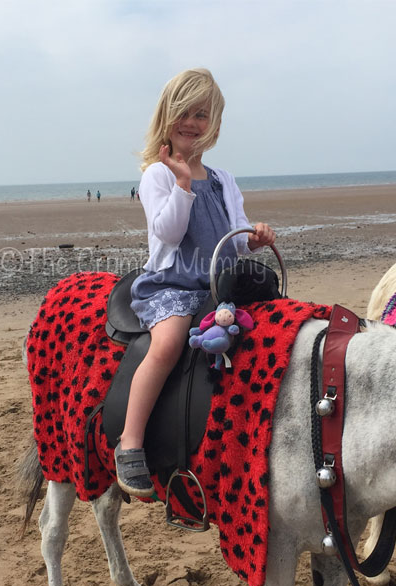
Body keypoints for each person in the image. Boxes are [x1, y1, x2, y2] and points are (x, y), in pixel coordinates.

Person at [114, 68, 276, 497]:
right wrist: (183, 184)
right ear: (167, 116)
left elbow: (236, 239)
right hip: (173, 285)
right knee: (167, 345)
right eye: (183, 112)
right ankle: (130, 441)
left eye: (202, 115)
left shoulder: (224, 180)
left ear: (215, 124)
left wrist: (255, 238)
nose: (191, 122)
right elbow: (167, 233)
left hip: (220, 286)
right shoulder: (158, 176)